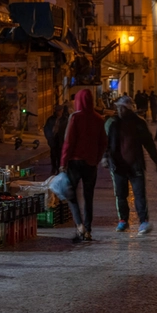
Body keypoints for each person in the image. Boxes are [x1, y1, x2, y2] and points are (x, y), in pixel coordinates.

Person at [108, 96, 157, 235]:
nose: (119, 110)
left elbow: (148, 143)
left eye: (122, 108)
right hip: (119, 167)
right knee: (120, 195)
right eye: (118, 107)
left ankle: (143, 221)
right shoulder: (115, 124)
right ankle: (123, 220)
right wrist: (106, 158)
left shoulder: (139, 123)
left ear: (128, 108)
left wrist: (156, 160)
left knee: (139, 195)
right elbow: (109, 145)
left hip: (135, 165)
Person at [60, 88, 108, 243]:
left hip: (75, 162)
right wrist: (97, 158)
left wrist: (63, 162)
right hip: (90, 164)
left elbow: (69, 142)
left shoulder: (75, 117)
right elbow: (103, 143)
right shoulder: (99, 119)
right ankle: (88, 229)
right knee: (89, 197)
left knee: (71, 194)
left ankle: (79, 224)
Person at [43, 104, 69, 175]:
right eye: (57, 111)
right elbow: (46, 128)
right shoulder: (51, 119)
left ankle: (59, 168)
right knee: (53, 155)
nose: (58, 112)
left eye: (59, 111)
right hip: (53, 139)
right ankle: (54, 168)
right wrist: (49, 138)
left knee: (60, 155)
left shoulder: (65, 120)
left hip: (61, 140)